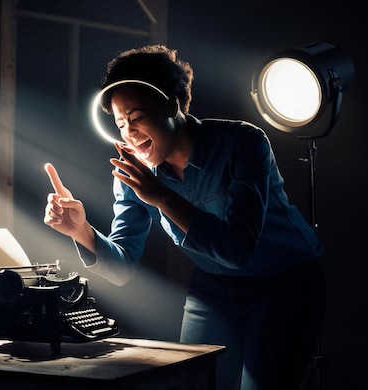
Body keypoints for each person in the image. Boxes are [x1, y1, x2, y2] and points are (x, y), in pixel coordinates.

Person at [43, 44, 325, 389]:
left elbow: (238, 249)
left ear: (172, 105)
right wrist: (81, 230)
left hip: (284, 283)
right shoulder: (136, 177)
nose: (129, 133)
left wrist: (161, 196)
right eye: (120, 123)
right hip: (212, 288)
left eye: (137, 117)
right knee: (192, 381)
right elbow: (122, 267)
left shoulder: (243, 142)